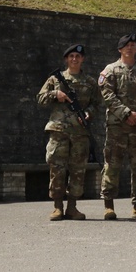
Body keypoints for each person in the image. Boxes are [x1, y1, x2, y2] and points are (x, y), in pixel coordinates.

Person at [36, 44, 99, 221]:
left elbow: (96, 103)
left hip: (80, 132)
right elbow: (40, 98)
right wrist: (56, 94)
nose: (74, 59)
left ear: (83, 59)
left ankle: (72, 207)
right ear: (66, 59)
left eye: (78, 56)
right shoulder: (55, 79)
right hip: (59, 130)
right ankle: (57, 207)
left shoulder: (90, 82)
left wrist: (88, 113)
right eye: (71, 56)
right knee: (57, 169)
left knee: (78, 170)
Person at [99, 33, 136, 221]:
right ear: (120, 49)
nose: (130, 48)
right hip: (117, 126)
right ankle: (108, 205)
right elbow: (107, 95)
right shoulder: (110, 70)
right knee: (112, 165)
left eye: (133, 44)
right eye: (126, 45)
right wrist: (126, 114)